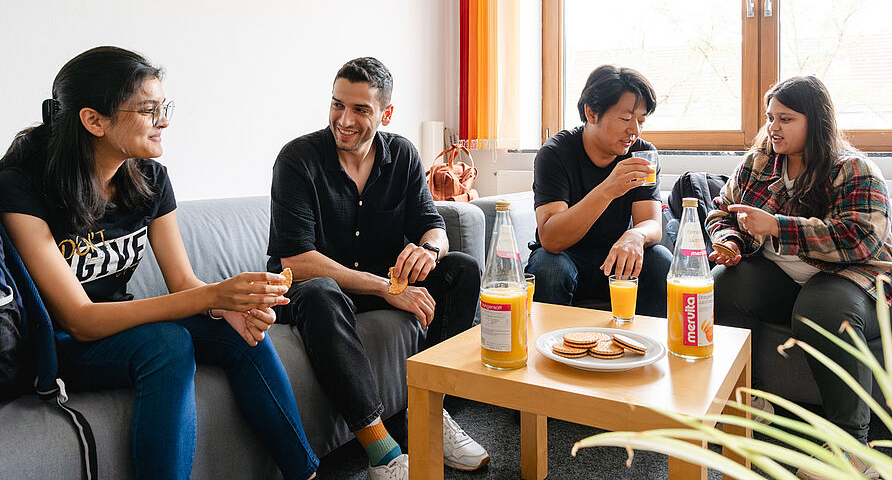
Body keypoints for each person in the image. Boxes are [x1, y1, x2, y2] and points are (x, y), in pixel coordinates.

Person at [0, 47, 318, 480]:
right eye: (149, 110)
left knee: (241, 329)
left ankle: (306, 472)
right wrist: (213, 295)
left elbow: (183, 281)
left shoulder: (149, 178)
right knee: (166, 344)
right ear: (94, 121)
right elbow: (80, 319)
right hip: (59, 344)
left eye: (163, 107)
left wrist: (225, 306)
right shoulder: (22, 189)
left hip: (117, 326)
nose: (164, 121)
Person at [267, 57, 488, 479]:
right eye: (337, 105)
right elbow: (298, 260)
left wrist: (430, 250)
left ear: (385, 113)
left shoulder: (401, 154)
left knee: (460, 268)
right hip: (310, 290)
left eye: (360, 110)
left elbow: (433, 225)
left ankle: (430, 414)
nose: (344, 120)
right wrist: (387, 287)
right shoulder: (297, 159)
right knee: (322, 291)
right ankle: (381, 451)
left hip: (381, 284)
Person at [706, 75, 892, 480]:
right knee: (723, 283)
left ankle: (852, 446)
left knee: (820, 307)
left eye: (785, 119)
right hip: (782, 279)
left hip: (851, 278)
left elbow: (862, 241)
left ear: (816, 121)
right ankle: (749, 401)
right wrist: (731, 239)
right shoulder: (758, 163)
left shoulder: (855, 170)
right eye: (770, 118)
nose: (773, 128)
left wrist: (777, 226)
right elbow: (722, 210)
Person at [526, 64, 672, 316]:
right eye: (626, 119)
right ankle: (548, 352)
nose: (634, 131)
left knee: (660, 259)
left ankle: (647, 350)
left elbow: (651, 223)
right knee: (548, 267)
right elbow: (550, 237)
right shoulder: (555, 154)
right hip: (566, 256)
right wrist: (608, 189)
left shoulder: (642, 154)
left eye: (641, 121)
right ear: (591, 113)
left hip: (618, 260)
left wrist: (636, 235)